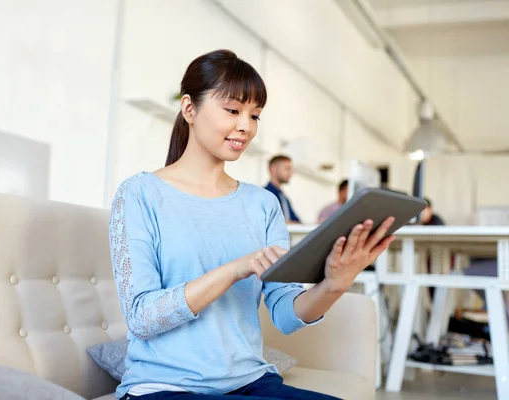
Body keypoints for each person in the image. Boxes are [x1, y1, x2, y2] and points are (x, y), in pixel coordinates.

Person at [108, 49, 396, 400]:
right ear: (189, 109)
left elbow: (286, 314)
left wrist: (335, 285)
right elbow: (142, 317)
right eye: (232, 110)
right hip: (164, 389)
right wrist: (234, 269)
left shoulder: (262, 204)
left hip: (250, 383)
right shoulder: (139, 194)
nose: (245, 127)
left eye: (255, 115)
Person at [264, 155, 301, 224]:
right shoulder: (265, 195)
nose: (291, 173)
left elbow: (296, 221)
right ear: (273, 169)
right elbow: (273, 222)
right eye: (287, 168)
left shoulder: (283, 197)